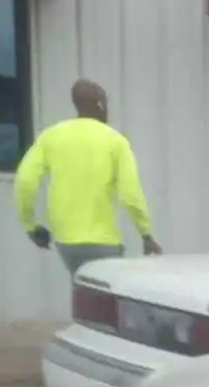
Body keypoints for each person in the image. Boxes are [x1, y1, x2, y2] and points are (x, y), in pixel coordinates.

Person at [15, 79, 161, 274]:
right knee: (107, 300)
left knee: (83, 293)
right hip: (103, 242)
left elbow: (25, 181)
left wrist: (31, 225)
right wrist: (146, 235)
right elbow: (130, 194)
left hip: (66, 242)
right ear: (99, 104)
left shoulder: (50, 136)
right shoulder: (116, 141)